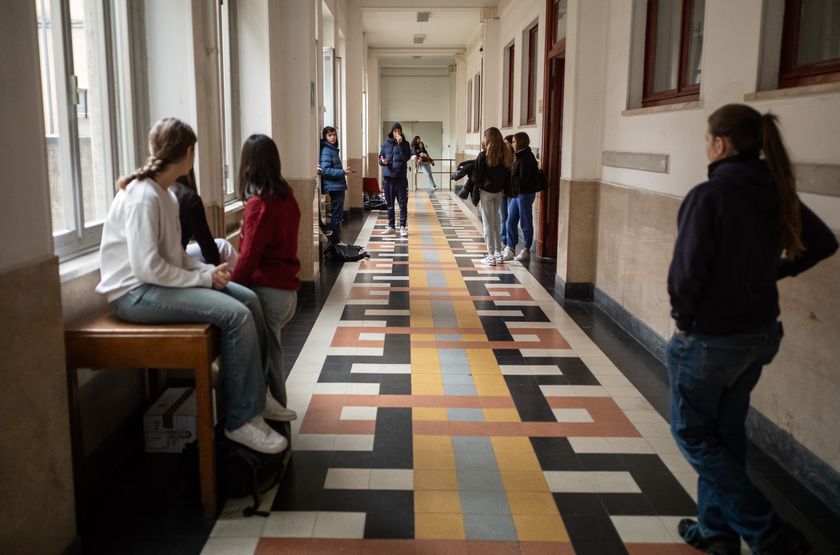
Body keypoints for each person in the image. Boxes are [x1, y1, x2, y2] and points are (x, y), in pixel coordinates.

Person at [667, 104, 837, 555]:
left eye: (707, 138)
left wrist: (684, 323)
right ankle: (717, 533)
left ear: (720, 143)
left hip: (709, 338)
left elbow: (687, 274)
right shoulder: (775, 190)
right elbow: (824, 242)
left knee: (693, 434)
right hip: (759, 334)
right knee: (726, 434)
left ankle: (767, 533)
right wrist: (772, 275)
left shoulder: (711, 195)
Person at [96, 118, 290, 455]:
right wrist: (203, 278)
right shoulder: (143, 197)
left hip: (155, 285)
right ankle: (241, 420)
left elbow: (175, 256)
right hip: (134, 294)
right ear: (188, 153)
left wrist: (207, 271)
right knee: (237, 316)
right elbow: (147, 268)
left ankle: (258, 397)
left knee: (249, 300)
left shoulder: (166, 195)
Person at [231, 134, 301, 421]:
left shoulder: (259, 204)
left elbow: (248, 259)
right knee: (272, 356)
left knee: (267, 363)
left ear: (248, 165)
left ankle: (275, 421)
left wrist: (230, 288)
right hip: (287, 292)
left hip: (268, 291)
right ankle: (277, 417)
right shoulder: (287, 197)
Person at [171, 169, 239, 267]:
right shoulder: (186, 197)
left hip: (156, 264)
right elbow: (211, 254)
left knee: (223, 245)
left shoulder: (151, 189)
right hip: (169, 267)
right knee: (223, 248)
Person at [473, 127, 513, 266]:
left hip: (487, 193)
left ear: (488, 139)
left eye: (485, 137)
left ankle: (490, 256)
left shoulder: (484, 156)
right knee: (495, 223)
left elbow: (477, 176)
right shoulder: (505, 155)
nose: (483, 140)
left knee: (488, 225)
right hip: (499, 192)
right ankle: (498, 254)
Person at [503, 132, 539, 262]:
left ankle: (526, 250)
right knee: (511, 220)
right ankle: (510, 247)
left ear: (520, 142)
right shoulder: (518, 156)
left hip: (525, 194)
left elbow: (524, 179)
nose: (512, 144)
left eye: (513, 142)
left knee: (525, 221)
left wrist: (512, 178)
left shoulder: (527, 157)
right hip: (517, 194)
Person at [318, 126, 351, 245]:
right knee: (337, 215)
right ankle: (335, 242)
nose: (332, 137)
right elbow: (325, 170)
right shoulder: (327, 150)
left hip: (336, 185)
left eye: (334, 135)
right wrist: (342, 172)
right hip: (334, 185)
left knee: (337, 214)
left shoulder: (332, 149)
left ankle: (336, 241)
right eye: (329, 135)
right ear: (325, 136)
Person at [379, 122, 412, 237]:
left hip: (401, 178)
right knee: (390, 204)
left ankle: (402, 227)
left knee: (402, 204)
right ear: (392, 132)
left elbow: (406, 157)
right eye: (395, 131)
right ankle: (391, 226)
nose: (397, 133)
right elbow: (380, 158)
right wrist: (382, 161)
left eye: (399, 131)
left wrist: (400, 144)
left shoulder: (405, 144)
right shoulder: (386, 144)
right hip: (388, 178)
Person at [500, 134, 515, 255]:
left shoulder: (516, 158)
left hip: (512, 191)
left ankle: (510, 243)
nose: (505, 145)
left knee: (511, 218)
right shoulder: (502, 156)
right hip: (502, 190)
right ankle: (503, 240)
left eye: (507, 143)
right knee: (503, 217)